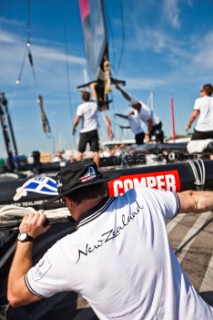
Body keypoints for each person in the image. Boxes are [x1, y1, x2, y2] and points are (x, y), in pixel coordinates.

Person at [7, 159, 213, 319]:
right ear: (104, 187)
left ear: (67, 201)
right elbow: (194, 200)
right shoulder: (142, 198)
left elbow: (16, 296)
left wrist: (26, 236)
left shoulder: (64, 254)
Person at [72, 84, 114, 167]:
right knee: (95, 152)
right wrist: (92, 86)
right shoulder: (94, 104)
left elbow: (77, 120)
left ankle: (78, 170)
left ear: (82, 98)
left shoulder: (81, 107)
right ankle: (97, 169)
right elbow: (94, 95)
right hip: (93, 130)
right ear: (89, 96)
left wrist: (73, 128)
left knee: (80, 152)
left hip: (84, 131)